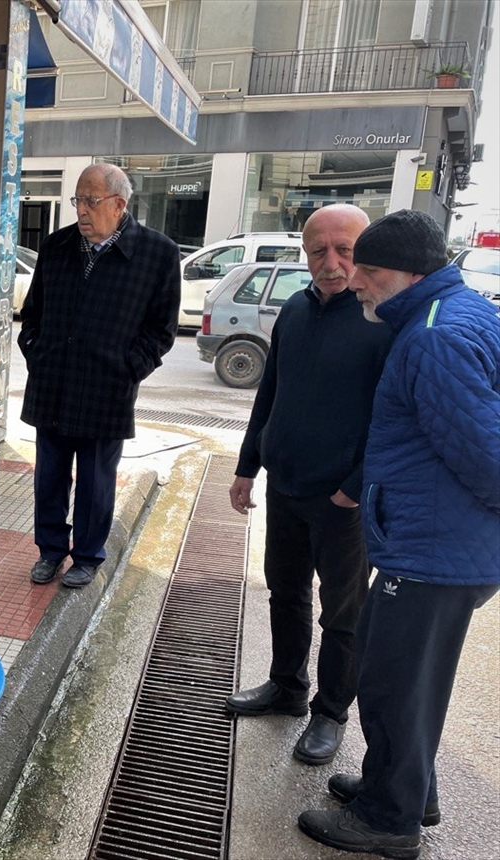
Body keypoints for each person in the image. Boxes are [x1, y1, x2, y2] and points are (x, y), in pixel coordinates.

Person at [297, 210, 500, 859]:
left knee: (391, 686)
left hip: (433, 551)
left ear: (412, 273)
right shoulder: (455, 314)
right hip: (440, 544)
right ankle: (409, 790)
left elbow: (489, 460)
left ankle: (389, 820)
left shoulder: (434, 337)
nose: (356, 281)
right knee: (413, 685)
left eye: (370, 270)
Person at [225, 204, 392, 766]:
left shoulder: (381, 320)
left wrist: (355, 485)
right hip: (286, 485)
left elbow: (392, 418)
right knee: (285, 592)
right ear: (304, 253)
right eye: (319, 251)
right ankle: (287, 687)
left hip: (343, 499)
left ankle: (331, 713)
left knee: (343, 613)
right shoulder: (294, 310)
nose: (332, 262)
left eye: (345, 250)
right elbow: (269, 393)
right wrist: (248, 465)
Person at [18, 163, 179, 588]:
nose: (82, 210)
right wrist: (37, 353)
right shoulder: (56, 246)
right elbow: (32, 313)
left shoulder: (158, 253)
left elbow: (161, 330)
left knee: (95, 482)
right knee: (49, 477)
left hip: (106, 390)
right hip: (53, 383)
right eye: (78, 200)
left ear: (119, 204)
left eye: (91, 201)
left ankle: (87, 556)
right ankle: (50, 551)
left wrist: (128, 369)